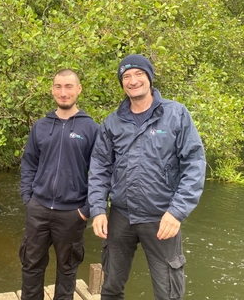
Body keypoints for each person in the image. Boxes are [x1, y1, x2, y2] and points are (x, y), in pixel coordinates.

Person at [88, 54, 206, 300]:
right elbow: (100, 166)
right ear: (122, 83)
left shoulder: (176, 114)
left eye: (139, 74)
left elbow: (194, 164)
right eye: (126, 76)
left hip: (162, 217)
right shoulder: (112, 122)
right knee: (110, 288)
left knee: (168, 293)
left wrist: (177, 212)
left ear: (150, 78)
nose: (133, 81)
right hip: (121, 215)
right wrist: (98, 209)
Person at [19, 69, 100, 300]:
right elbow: (28, 165)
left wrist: (86, 210)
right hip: (39, 209)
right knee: (31, 265)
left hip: (72, 213)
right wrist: (29, 199)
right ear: (52, 89)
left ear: (78, 89)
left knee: (67, 269)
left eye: (68, 87)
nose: (63, 93)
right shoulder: (41, 126)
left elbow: (101, 173)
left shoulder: (91, 129)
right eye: (58, 87)